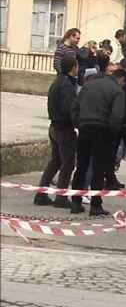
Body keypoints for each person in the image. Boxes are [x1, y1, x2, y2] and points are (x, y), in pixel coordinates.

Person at [69, 69, 126, 215]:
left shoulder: (88, 86)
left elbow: (74, 107)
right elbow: (117, 116)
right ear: (119, 79)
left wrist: (79, 123)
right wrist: (112, 133)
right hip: (103, 130)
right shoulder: (117, 91)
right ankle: (95, 205)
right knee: (98, 169)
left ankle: (76, 202)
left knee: (81, 166)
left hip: (85, 129)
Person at [34, 56, 79, 208]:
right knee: (68, 163)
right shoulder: (66, 85)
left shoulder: (57, 82)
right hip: (64, 128)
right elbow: (69, 109)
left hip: (54, 126)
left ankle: (41, 193)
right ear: (73, 68)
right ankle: (61, 197)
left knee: (56, 161)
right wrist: (78, 121)